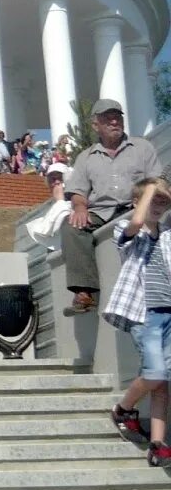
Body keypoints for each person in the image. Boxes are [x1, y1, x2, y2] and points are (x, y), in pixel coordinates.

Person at [61, 99, 164, 317]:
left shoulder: (142, 147)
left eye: (117, 117)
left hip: (134, 207)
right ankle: (84, 292)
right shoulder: (85, 157)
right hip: (101, 212)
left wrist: (144, 206)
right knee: (71, 227)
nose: (114, 121)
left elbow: (156, 182)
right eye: (107, 118)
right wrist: (80, 208)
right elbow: (77, 192)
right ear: (95, 125)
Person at [103, 178, 171, 468]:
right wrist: (152, 188)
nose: (158, 204)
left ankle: (158, 443)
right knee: (155, 374)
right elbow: (139, 219)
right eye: (153, 199)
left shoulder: (168, 235)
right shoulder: (127, 229)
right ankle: (122, 409)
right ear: (138, 202)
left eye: (163, 201)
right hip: (145, 315)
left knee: (162, 383)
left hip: (169, 314)